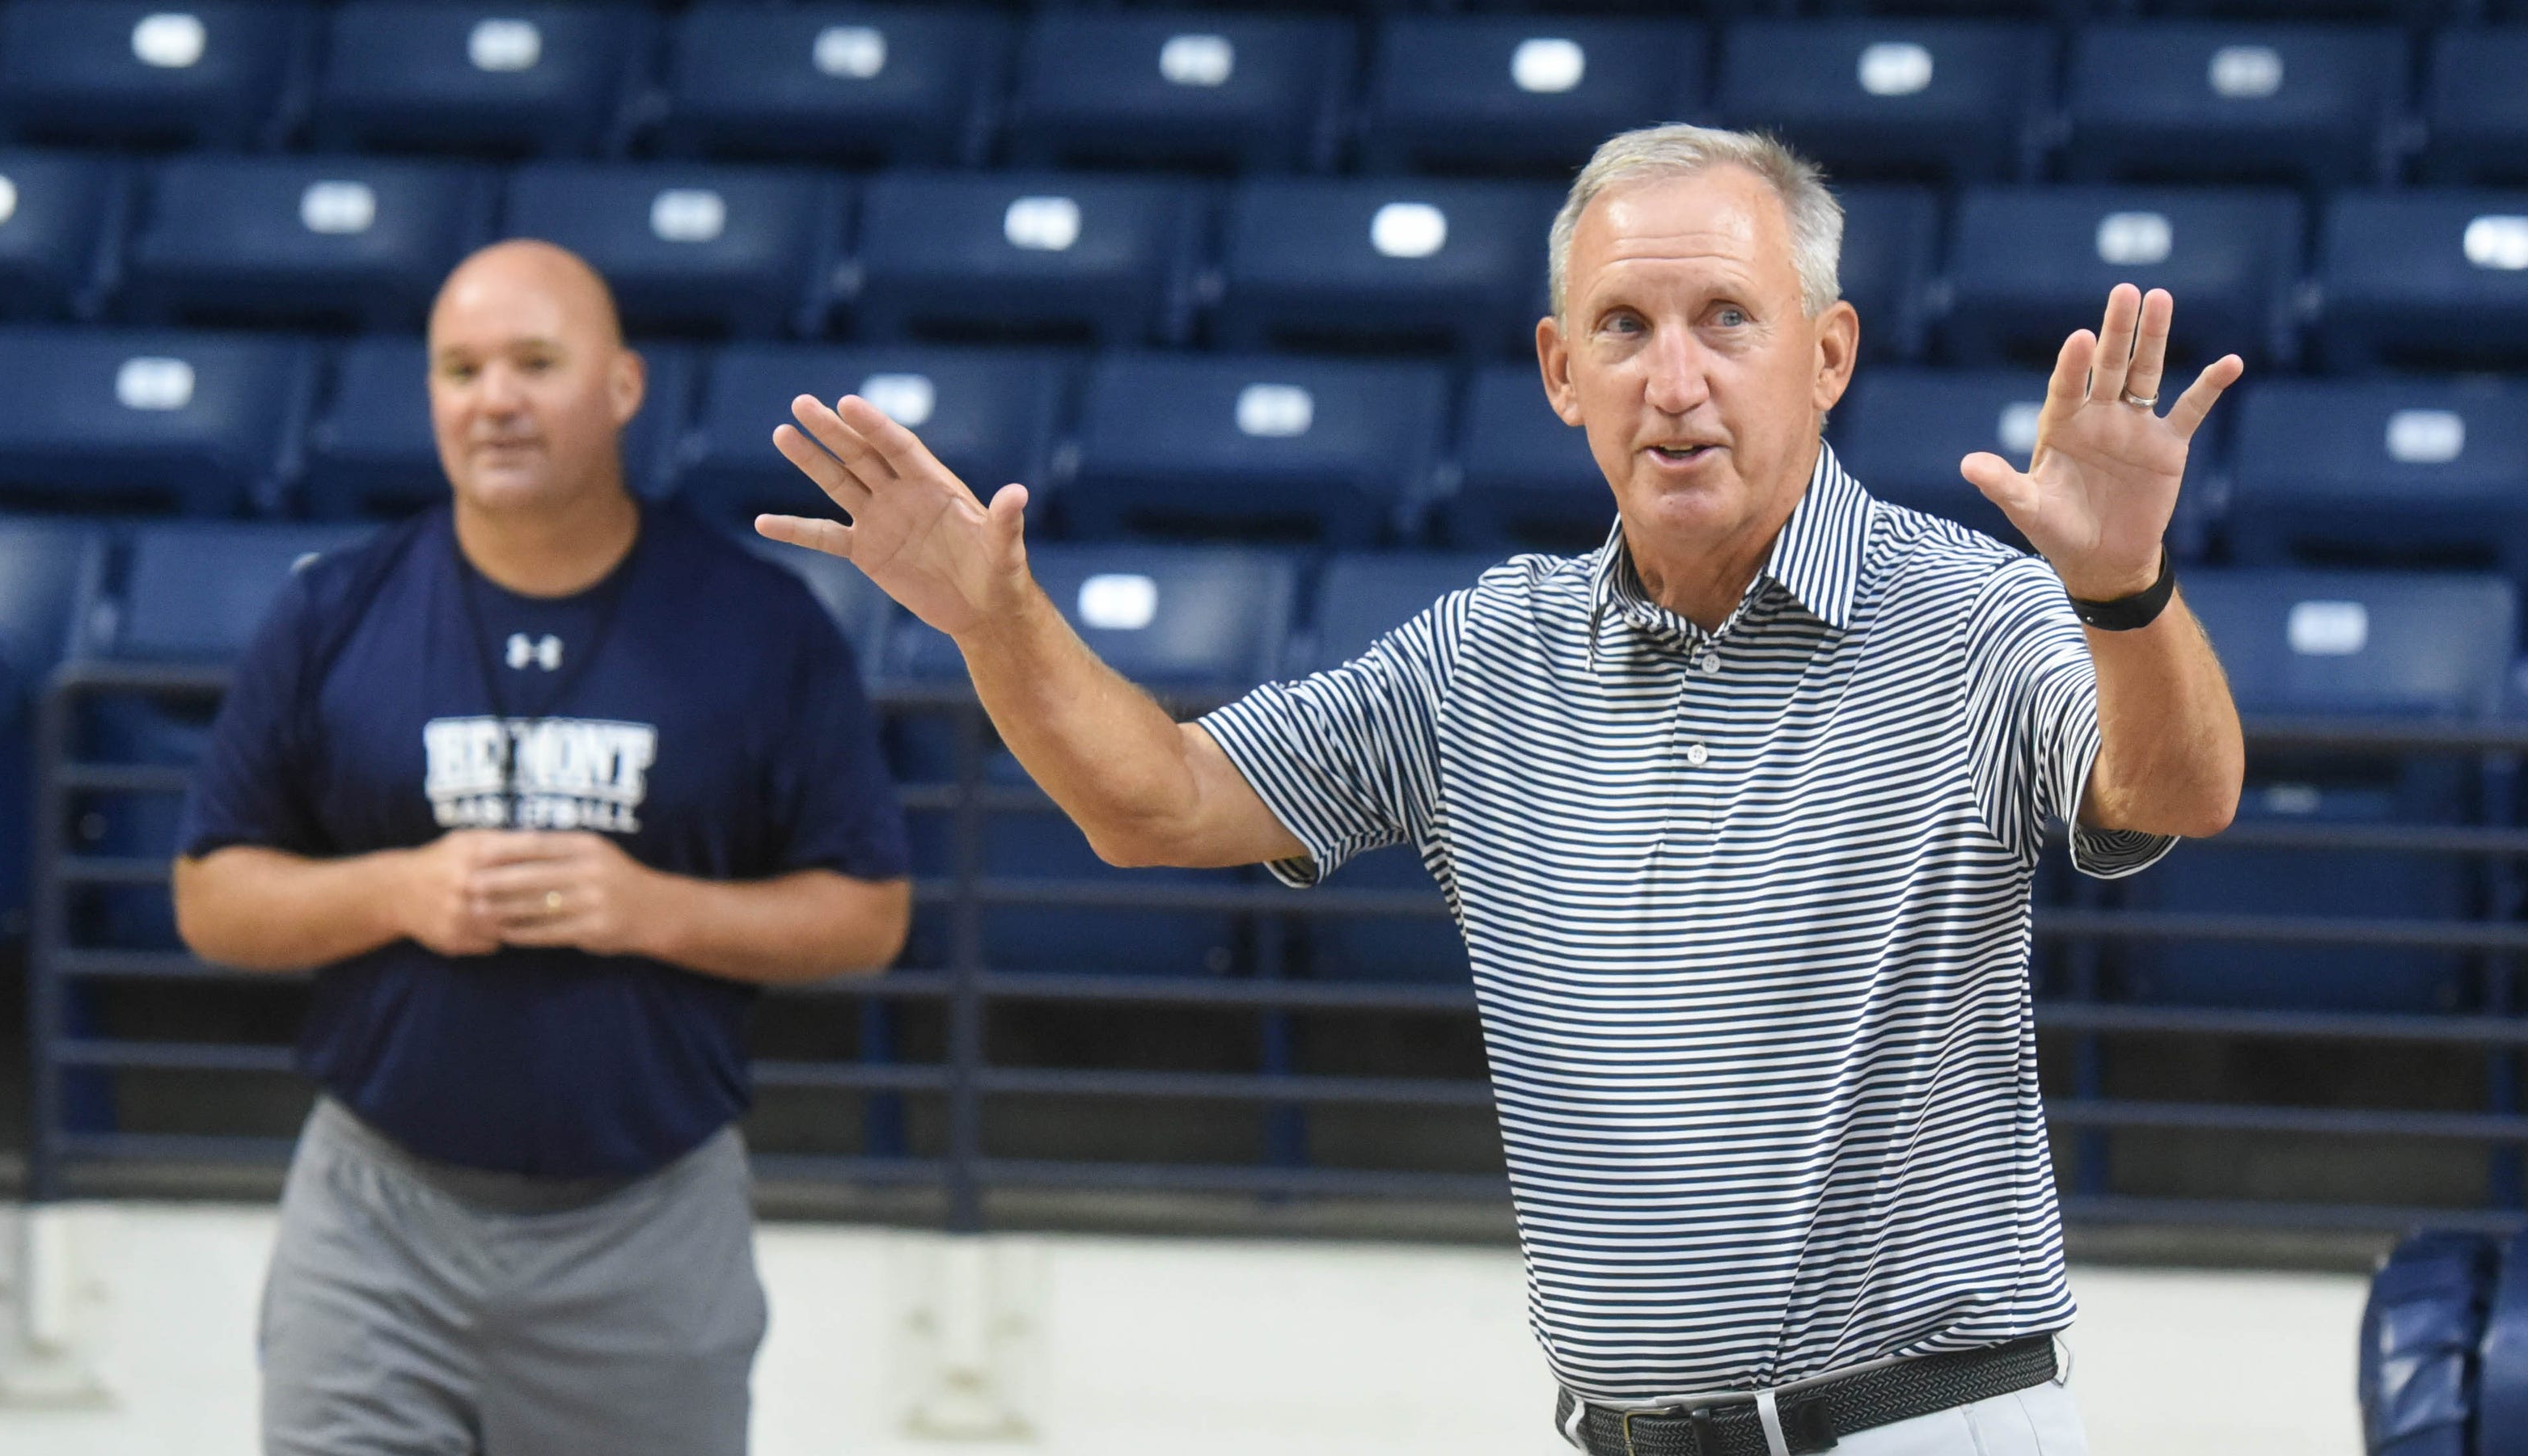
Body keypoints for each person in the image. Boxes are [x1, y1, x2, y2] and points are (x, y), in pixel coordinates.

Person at [759, 124, 2247, 1454]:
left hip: (1925, 1425)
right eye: (1625, 327)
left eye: (1728, 318)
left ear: (1829, 353)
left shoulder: (1971, 613)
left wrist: (2123, 595)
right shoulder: (1489, 652)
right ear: (1558, 371)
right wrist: (991, 620)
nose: (1677, 382)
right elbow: (1159, 801)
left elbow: (2173, 790)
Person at [173, 239, 911, 1456]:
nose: (494, 399)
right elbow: (209, 896)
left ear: (622, 386)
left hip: (646, 1227)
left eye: (534, 362)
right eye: (460, 369)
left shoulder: (758, 624)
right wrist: (400, 888)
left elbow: (869, 912)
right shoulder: (333, 610)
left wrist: (648, 907)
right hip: (375, 1222)